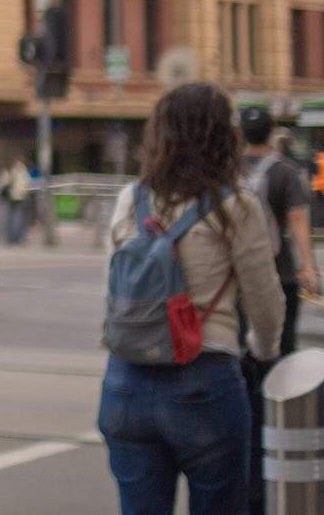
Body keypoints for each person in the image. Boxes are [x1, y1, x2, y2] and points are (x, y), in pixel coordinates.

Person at [97, 83, 283, 515]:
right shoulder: (235, 206)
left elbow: (115, 288)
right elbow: (264, 301)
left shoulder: (130, 200)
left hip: (125, 383)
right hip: (204, 381)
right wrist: (263, 350)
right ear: (223, 136)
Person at [238, 108, 315, 515]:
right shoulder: (284, 170)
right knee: (278, 356)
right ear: (271, 133)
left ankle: (247, 416)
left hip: (236, 279)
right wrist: (309, 267)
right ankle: (275, 420)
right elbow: (297, 218)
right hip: (278, 275)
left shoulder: (228, 169)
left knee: (240, 357)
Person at [0, 156, 33, 246]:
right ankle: (17, 238)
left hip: (11, 197)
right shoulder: (21, 170)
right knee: (18, 218)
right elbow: (27, 182)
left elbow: (1, 183)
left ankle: (12, 238)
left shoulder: (8, 170)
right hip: (19, 197)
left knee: (10, 218)